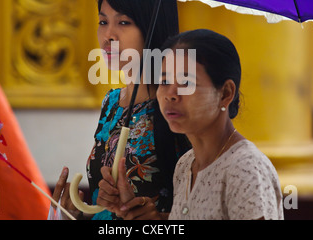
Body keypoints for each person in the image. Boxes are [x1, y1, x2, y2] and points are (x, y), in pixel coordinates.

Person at [99, 29, 284, 220]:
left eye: (186, 82)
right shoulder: (186, 165)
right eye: (164, 81)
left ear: (225, 93)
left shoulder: (245, 169)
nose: (170, 94)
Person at [49, 0, 190, 220]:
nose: (108, 35)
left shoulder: (179, 104)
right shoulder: (112, 102)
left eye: (123, 22)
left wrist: (158, 220)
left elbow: (202, 204)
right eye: (103, 21)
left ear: (151, 26)